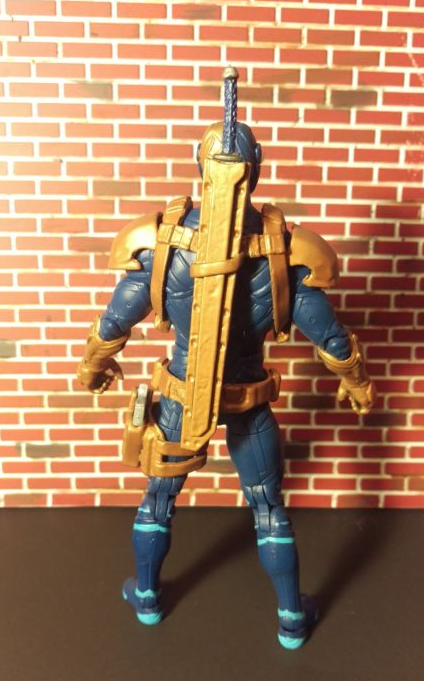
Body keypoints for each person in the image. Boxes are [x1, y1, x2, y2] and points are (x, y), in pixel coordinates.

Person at [76, 68, 375, 649]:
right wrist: (357, 382)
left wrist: (93, 367)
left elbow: (113, 323)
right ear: (255, 169)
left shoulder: (164, 243)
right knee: (268, 508)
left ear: (201, 167)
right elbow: (331, 340)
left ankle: (147, 597)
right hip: (246, 402)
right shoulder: (285, 250)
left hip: (182, 395)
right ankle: (290, 618)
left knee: (159, 498)